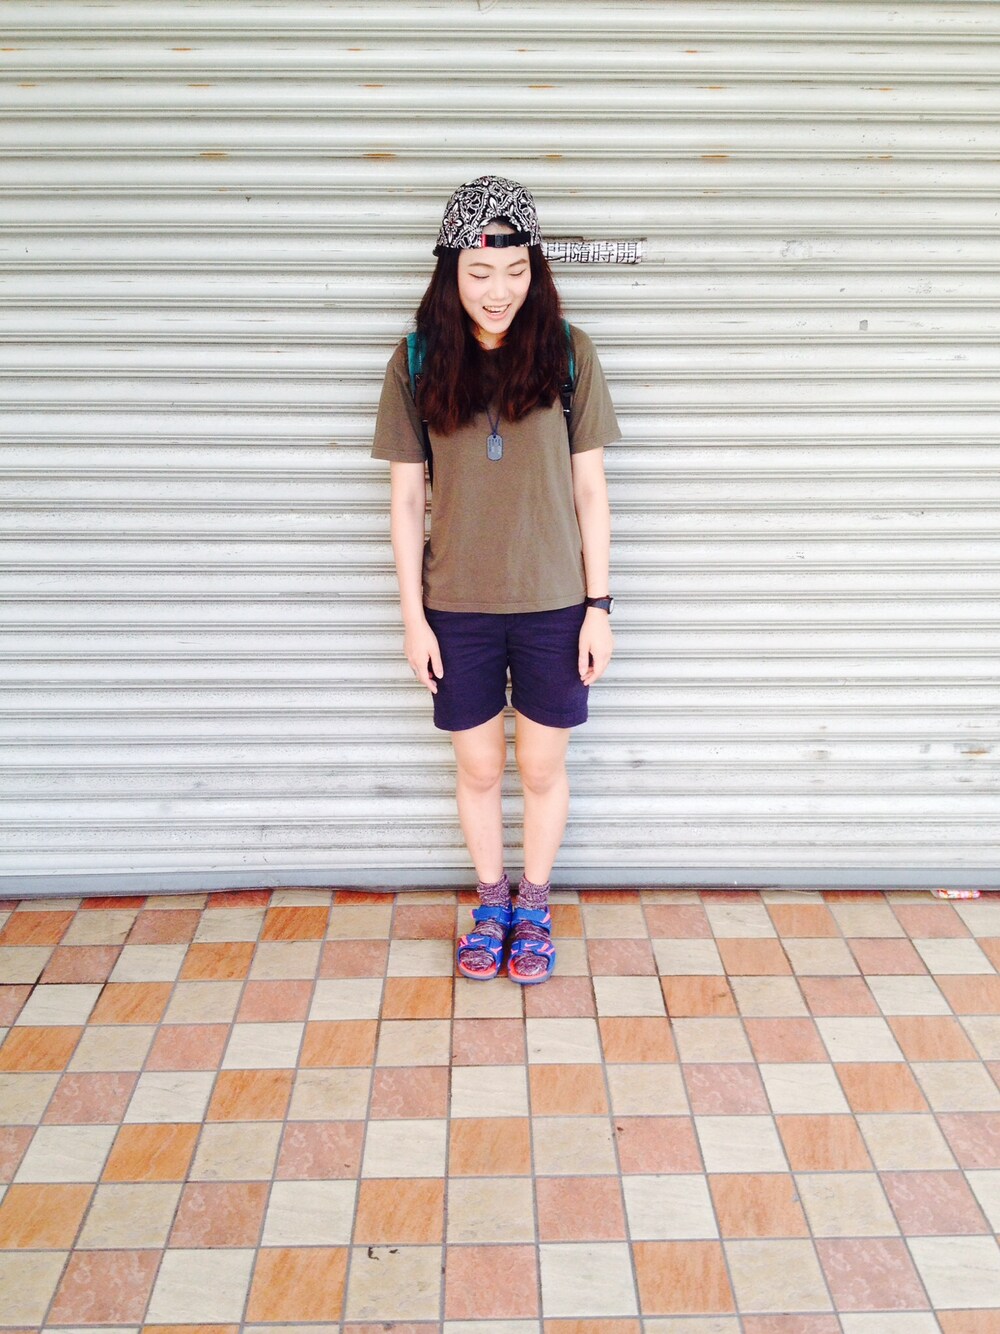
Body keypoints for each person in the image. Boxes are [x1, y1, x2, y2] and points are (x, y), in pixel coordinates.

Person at [371, 175, 620, 984]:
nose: (498, 290)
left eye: (515, 271)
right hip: (457, 610)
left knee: (542, 770)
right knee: (478, 769)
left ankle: (534, 906)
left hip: (555, 605)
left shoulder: (568, 353)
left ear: (534, 268)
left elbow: (591, 491)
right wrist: (413, 619)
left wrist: (599, 606)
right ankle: (490, 905)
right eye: (479, 273)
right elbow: (406, 500)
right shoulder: (415, 360)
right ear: (450, 270)